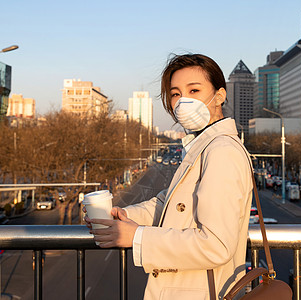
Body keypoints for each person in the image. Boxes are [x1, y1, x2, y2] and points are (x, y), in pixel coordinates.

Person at [85, 54, 253, 299]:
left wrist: (137, 236)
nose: (183, 101)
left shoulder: (221, 150)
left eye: (194, 90)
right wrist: (124, 216)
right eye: (175, 94)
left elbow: (217, 245)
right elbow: (171, 203)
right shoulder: (202, 146)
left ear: (219, 96)